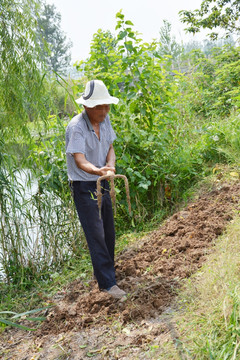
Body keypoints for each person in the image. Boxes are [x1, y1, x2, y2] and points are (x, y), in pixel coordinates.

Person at [65, 80, 126, 299]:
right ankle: (108, 285)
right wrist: (99, 171)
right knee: (96, 233)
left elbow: (110, 148)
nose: (105, 110)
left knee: (108, 230)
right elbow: (80, 161)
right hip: (84, 185)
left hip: (103, 180)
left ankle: (106, 273)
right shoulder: (76, 127)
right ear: (87, 107)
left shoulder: (105, 120)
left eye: (106, 106)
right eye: (100, 106)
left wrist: (110, 165)